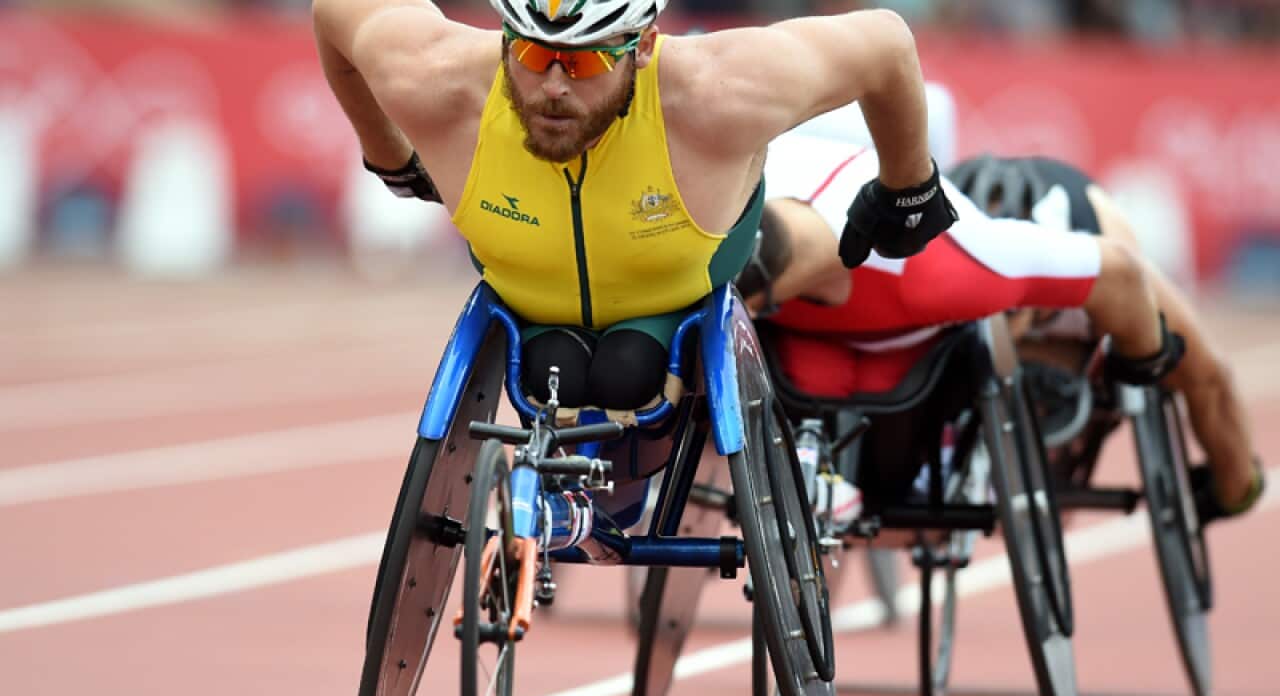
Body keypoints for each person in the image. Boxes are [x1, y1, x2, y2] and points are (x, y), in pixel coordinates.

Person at [311, 0, 957, 411]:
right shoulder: (435, 76)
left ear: (643, 47)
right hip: (539, 317)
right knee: (563, 370)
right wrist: (387, 155)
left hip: (682, 286)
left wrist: (909, 187)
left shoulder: (721, 88)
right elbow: (335, 11)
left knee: (633, 368)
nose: (553, 88)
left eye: (586, 63)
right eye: (534, 56)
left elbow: (887, 43)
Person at [739, 132, 1264, 524]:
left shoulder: (1087, 247)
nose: (1019, 327)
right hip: (943, 252)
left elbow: (1209, 378)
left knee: (1182, 360)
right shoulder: (961, 265)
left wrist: (1232, 487)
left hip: (1094, 264)